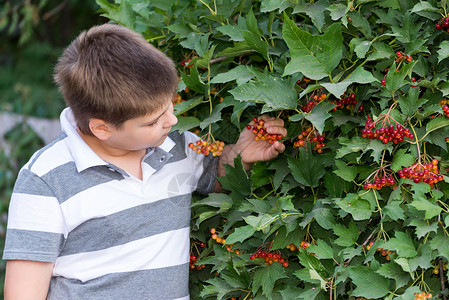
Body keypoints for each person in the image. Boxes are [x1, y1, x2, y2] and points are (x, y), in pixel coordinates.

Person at [2, 23, 286, 299]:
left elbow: (218, 174)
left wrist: (240, 154)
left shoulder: (178, 145)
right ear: (102, 128)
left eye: (169, 106)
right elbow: (23, 292)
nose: (172, 120)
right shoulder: (46, 179)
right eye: (153, 121)